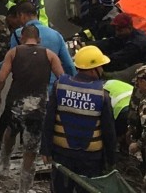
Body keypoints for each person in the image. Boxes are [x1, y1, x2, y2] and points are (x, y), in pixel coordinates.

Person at [0, 24, 64, 191]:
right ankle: (24, 187)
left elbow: (1, 78)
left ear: (22, 38)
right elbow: (62, 79)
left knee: (10, 131)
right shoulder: (50, 55)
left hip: (15, 103)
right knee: (31, 147)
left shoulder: (14, 52)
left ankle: (4, 165)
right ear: (39, 39)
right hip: (37, 106)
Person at [40, 46, 117, 193]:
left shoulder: (59, 86)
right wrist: (111, 160)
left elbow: (48, 120)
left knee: (60, 189)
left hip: (62, 153)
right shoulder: (102, 94)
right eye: (100, 66)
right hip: (90, 158)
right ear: (93, 69)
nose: (102, 70)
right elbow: (109, 131)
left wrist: (46, 149)